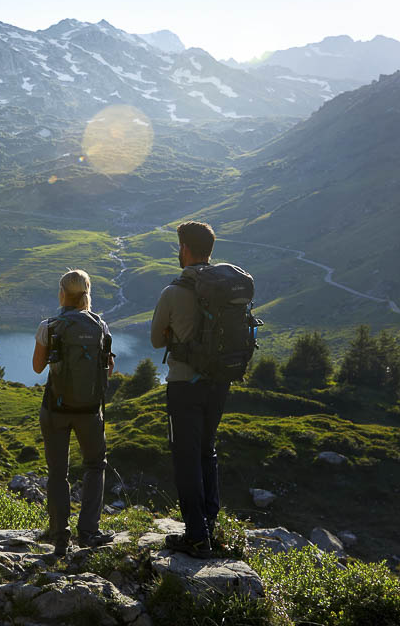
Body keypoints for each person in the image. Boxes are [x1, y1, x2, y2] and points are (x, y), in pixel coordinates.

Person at [150, 221, 227, 558]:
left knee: (185, 458)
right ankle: (209, 525)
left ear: (185, 249)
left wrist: (174, 333)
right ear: (209, 251)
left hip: (183, 385)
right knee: (206, 450)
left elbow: (155, 340)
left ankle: (196, 537)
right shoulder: (225, 289)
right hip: (219, 382)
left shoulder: (174, 292)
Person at [32, 269, 116, 556]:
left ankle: (59, 535)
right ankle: (89, 532)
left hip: (55, 408)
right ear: (87, 294)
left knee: (58, 471)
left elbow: (37, 366)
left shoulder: (50, 325)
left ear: (62, 293)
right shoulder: (101, 326)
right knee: (95, 465)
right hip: (90, 410)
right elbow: (109, 368)